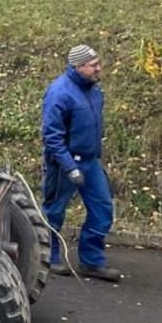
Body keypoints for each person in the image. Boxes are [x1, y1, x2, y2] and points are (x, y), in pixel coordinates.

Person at [41, 43, 123, 281]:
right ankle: (49, 258)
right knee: (53, 212)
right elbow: (52, 136)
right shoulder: (59, 93)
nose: (99, 68)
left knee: (103, 209)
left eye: (98, 63)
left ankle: (91, 260)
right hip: (64, 164)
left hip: (90, 161)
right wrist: (69, 167)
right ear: (78, 67)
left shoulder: (94, 90)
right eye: (93, 65)